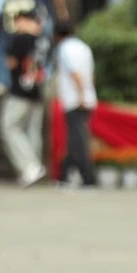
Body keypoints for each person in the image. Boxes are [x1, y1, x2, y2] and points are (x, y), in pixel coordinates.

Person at [0, 9, 48, 187]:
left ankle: (30, 167)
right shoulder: (43, 40)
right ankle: (34, 169)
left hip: (20, 91)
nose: (17, 25)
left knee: (9, 128)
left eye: (19, 20)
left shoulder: (20, 39)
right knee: (32, 131)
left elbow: (11, 62)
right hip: (37, 89)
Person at [55, 21, 97, 187]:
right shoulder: (84, 47)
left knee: (78, 141)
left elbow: (75, 74)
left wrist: (81, 96)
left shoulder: (65, 49)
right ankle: (64, 176)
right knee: (74, 140)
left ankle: (88, 178)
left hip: (75, 100)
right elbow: (90, 74)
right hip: (87, 98)